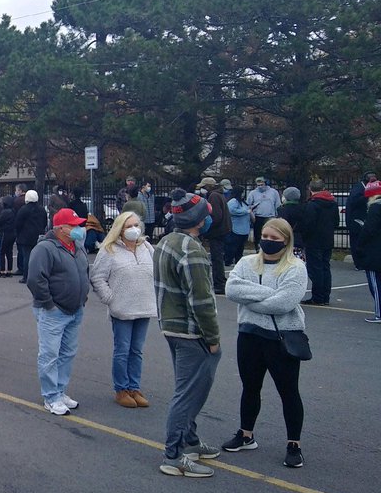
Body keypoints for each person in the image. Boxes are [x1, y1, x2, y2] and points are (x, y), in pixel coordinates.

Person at [223, 218, 308, 468]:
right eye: (265, 237)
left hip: (283, 337)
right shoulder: (247, 262)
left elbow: (286, 303)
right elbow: (231, 290)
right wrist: (272, 295)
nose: (268, 242)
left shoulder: (296, 267)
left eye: (274, 239)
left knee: (288, 392)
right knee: (250, 387)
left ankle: (294, 444)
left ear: (286, 240)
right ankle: (246, 434)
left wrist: (250, 300)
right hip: (250, 335)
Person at [154, 190, 222, 478]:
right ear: (199, 219)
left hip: (172, 326)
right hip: (192, 332)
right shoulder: (191, 250)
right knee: (190, 394)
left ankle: (190, 441)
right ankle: (174, 454)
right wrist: (213, 337)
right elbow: (201, 301)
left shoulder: (166, 242)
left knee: (188, 390)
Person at [26, 208, 90, 416]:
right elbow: (35, 279)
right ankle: (51, 396)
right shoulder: (45, 248)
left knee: (67, 353)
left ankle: (60, 391)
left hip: (74, 309)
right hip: (54, 311)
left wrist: (82, 297)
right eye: (74, 225)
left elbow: (84, 271)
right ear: (61, 228)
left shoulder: (76, 246)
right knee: (49, 355)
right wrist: (49, 304)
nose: (78, 228)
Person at [90, 211, 155, 408]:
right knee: (123, 350)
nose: (134, 229)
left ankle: (134, 387)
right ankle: (122, 389)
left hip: (144, 307)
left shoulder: (146, 247)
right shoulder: (109, 250)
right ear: (120, 229)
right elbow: (97, 277)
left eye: (136, 225)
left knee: (137, 350)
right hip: (122, 309)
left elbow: (158, 271)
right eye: (128, 226)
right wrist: (110, 299)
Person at [197, 177, 231, 294]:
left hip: (217, 232)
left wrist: (206, 228)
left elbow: (215, 216)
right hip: (222, 230)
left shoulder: (214, 196)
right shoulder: (219, 194)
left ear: (208, 186)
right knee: (217, 258)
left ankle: (219, 283)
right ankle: (220, 282)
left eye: (203, 187)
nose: (202, 189)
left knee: (217, 259)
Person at [359, 180, 381, 323]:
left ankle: (379, 313)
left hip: (375, 251)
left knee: (376, 285)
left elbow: (369, 231)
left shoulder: (375, 209)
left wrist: (360, 244)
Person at [14, 189, 46, 283]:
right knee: (38, 257)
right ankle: (38, 275)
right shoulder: (41, 209)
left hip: (26, 236)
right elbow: (44, 222)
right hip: (39, 236)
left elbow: (18, 223)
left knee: (27, 257)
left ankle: (26, 276)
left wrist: (19, 233)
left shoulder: (24, 209)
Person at [347, 171, 378, 266]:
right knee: (357, 241)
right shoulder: (358, 188)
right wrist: (368, 195)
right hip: (356, 220)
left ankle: (363, 261)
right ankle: (358, 263)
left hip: (364, 219)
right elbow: (354, 202)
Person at [246, 177, 282, 251]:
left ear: (266, 184)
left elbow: (277, 204)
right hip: (258, 216)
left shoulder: (273, 192)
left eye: (262, 184)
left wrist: (277, 215)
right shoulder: (253, 193)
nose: (260, 187)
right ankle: (258, 249)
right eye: (258, 185)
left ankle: (270, 248)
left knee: (270, 233)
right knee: (258, 234)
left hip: (270, 217)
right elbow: (248, 205)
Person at [277, 187, 308, 260]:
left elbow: (280, 226)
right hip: (299, 240)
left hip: (286, 240)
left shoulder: (282, 210)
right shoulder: (304, 208)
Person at [225, 187, 251, 266]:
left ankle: (238, 261)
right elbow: (231, 210)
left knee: (240, 247)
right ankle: (228, 261)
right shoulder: (233, 201)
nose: (243, 194)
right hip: (236, 228)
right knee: (232, 246)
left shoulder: (243, 202)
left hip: (244, 228)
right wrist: (246, 211)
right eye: (242, 192)